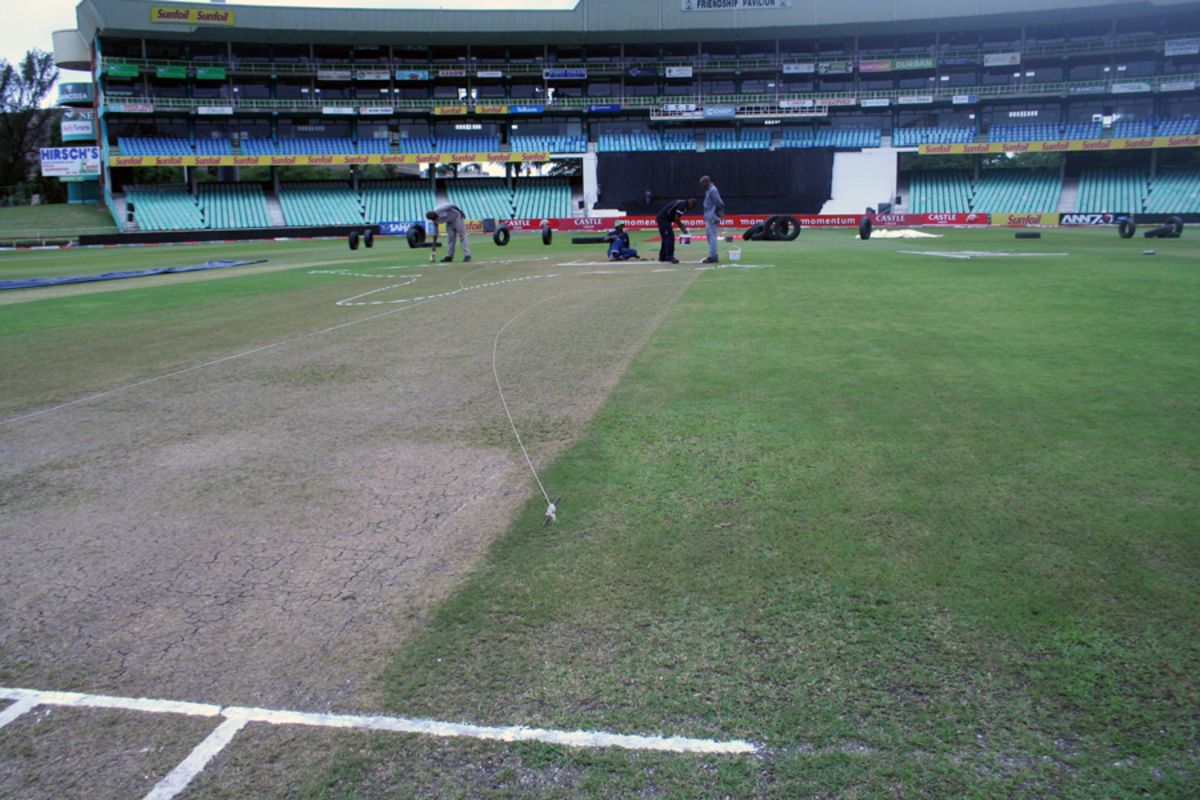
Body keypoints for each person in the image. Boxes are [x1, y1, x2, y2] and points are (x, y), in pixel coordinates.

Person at [655, 197, 696, 263]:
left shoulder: (682, 202)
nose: (690, 209)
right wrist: (682, 228)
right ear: (691, 204)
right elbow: (676, 218)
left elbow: (674, 216)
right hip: (663, 219)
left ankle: (662, 256)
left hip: (663, 219)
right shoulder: (683, 204)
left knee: (665, 237)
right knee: (669, 237)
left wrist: (682, 225)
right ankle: (669, 257)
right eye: (692, 207)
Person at [699, 175, 725, 264]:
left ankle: (713, 256)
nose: (701, 185)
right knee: (710, 237)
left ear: (707, 182)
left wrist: (720, 212)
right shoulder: (709, 190)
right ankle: (713, 254)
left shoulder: (713, 190)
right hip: (709, 216)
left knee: (712, 237)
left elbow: (719, 202)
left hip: (711, 216)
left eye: (702, 183)